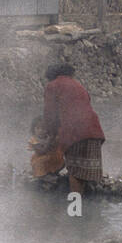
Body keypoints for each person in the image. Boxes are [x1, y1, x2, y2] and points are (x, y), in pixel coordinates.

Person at [42, 64, 105, 194]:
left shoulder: (53, 86)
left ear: (50, 76)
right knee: (88, 173)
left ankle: (75, 210)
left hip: (75, 134)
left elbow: (50, 115)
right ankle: (90, 210)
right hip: (94, 132)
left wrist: (50, 137)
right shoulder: (77, 85)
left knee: (75, 173)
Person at [28, 115, 65, 181]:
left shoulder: (50, 137)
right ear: (33, 129)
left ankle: (53, 173)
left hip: (52, 157)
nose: (41, 131)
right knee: (40, 163)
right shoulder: (34, 140)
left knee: (60, 161)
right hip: (40, 158)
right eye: (38, 128)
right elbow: (42, 151)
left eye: (43, 128)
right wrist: (48, 142)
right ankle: (43, 176)